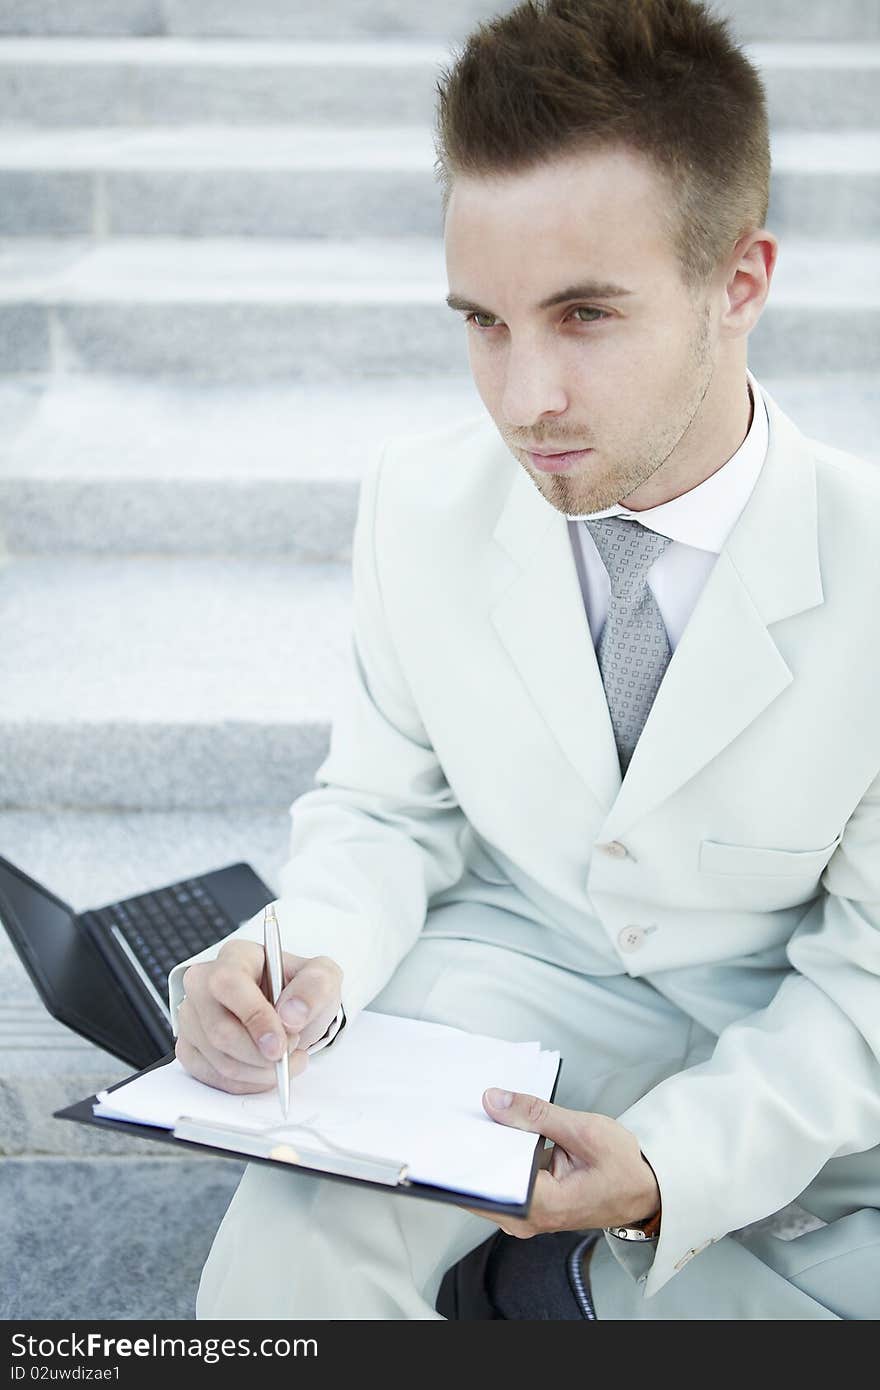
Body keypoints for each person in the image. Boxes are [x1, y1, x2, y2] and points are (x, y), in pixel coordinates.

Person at [170, 0, 880, 1319]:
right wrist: (297, 953)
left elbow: (868, 985)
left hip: (789, 1045)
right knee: (277, 1272)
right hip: (510, 976)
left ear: (740, 282)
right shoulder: (416, 500)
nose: (521, 398)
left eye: (585, 316)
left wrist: (674, 1158)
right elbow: (385, 809)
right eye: (483, 322)